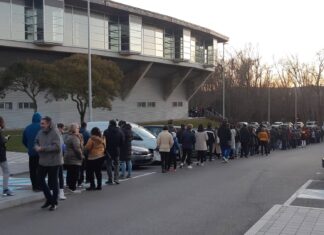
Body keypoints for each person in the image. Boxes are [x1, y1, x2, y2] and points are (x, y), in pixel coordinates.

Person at [35, 116, 63, 211]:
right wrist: (36, 147)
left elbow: (57, 147)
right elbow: (36, 142)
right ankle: (49, 199)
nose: (41, 125)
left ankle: (54, 202)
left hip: (54, 161)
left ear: (48, 124)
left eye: (43, 123)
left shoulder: (55, 132)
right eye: (41, 123)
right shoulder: (40, 132)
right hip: (42, 161)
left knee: (53, 182)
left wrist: (43, 148)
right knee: (39, 179)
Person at [22, 112, 42, 192]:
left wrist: (29, 147)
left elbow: (24, 141)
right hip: (41, 153)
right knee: (41, 170)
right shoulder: (41, 127)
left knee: (33, 170)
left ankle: (34, 186)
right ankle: (40, 185)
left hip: (31, 153)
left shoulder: (27, 128)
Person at [64, 123, 84, 193]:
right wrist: (81, 156)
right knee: (75, 173)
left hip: (68, 157)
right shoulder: (74, 138)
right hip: (74, 158)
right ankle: (73, 188)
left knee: (70, 173)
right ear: (74, 129)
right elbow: (77, 149)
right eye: (77, 128)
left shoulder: (68, 136)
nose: (79, 129)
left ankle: (70, 187)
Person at [104, 120, 124, 185]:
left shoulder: (106, 131)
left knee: (108, 165)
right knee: (116, 165)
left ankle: (110, 179)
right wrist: (119, 147)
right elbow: (122, 141)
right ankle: (116, 179)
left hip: (108, 151)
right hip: (117, 150)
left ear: (110, 124)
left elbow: (104, 142)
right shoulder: (120, 131)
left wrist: (105, 149)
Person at [0, 117, 14, 196]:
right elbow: (2, 141)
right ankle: (5, 189)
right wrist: (7, 138)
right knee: (6, 171)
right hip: (1, 155)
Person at [56, 123, 66, 200]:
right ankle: (59, 193)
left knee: (59, 176)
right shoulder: (57, 135)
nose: (63, 131)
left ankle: (60, 192)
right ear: (59, 128)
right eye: (63, 129)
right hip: (57, 159)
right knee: (57, 176)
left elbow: (63, 147)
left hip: (59, 158)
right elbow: (62, 147)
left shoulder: (60, 136)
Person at [78, 122, 90, 187]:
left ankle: (80, 180)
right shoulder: (87, 133)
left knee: (80, 167)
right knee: (87, 167)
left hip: (79, 151)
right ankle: (88, 179)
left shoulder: (78, 133)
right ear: (86, 126)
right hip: (86, 151)